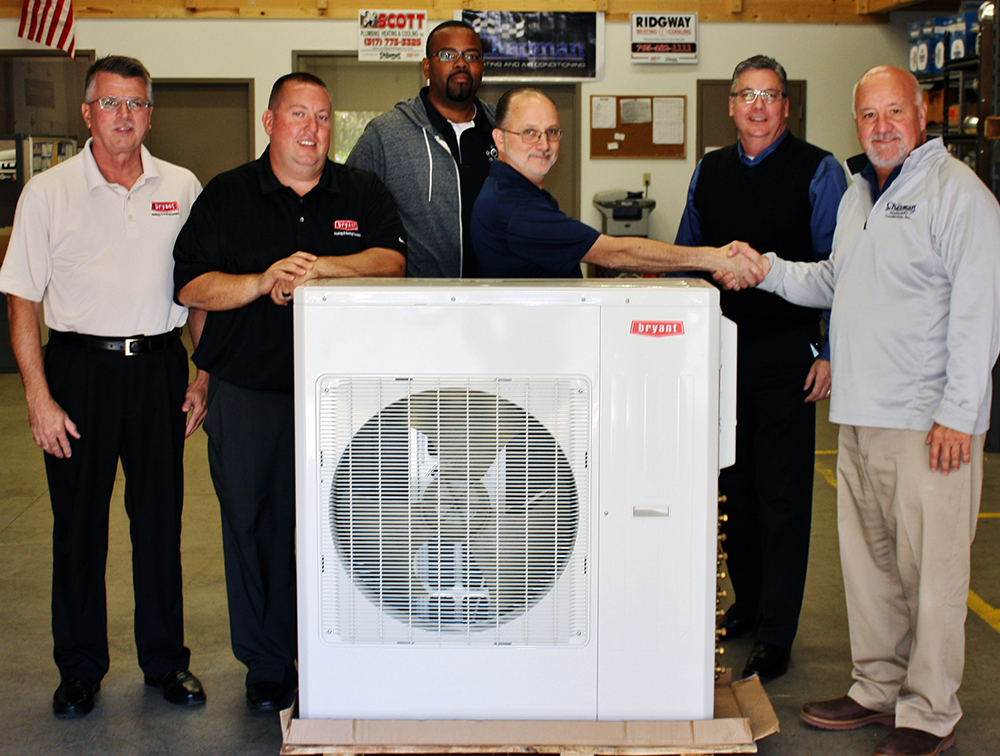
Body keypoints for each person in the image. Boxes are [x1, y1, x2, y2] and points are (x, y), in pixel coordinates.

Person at [741, 65, 1000, 756]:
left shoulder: (958, 195)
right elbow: (836, 279)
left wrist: (959, 413)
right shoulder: (860, 193)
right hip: (859, 414)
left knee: (932, 574)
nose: (881, 127)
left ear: (922, 115)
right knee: (871, 569)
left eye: (894, 112)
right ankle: (878, 686)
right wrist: (766, 268)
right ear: (855, 122)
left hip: (926, 424)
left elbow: (980, 311)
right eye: (868, 115)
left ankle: (930, 712)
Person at [172, 72, 406, 713]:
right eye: (298, 114)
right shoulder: (227, 195)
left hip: (348, 400)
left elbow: (392, 263)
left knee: (361, 526)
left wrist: (320, 267)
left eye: (323, 116)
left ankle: (350, 651)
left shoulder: (361, 190)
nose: (312, 128)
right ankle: (269, 664)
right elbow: (191, 285)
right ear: (270, 122)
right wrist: (260, 280)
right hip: (250, 394)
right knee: (254, 527)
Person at [0, 55, 208, 719]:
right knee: (78, 529)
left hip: (158, 370)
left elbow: (198, 289)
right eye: (111, 103)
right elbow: (21, 300)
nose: (124, 115)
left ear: (150, 114)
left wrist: (203, 373)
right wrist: (38, 396)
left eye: (136, 103)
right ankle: (80, 670)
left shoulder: (181, 186)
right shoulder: (48, 192)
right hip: (78, 374)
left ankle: (166, 663)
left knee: (160, 524)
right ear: (87, 112)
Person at [674, 55, 848, 681]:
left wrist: (829, 351)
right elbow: (688, 255)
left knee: (782, 499)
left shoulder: (820, 171)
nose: (757, 106)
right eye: (746, 95)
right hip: (721, 355)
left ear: (786, 106)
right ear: (730, 105)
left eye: (769, 95)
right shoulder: (709, 170)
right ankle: (747, 605)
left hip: (787, 356)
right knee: (734, 490)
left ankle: (776, 632)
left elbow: (840, 273)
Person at [471, 87, 766, 285]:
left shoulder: (517, 193)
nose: (544, 145)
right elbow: (614, 253)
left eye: (551, 132)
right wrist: (714, 258)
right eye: (529, 132)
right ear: (500, 139)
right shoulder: (514, 208)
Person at [347, 19, 496, 277]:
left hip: (494, 295)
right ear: (426, 66)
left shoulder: (505, 130)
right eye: (448, 55)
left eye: (471, 56)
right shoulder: (386, 133)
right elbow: (349, 205)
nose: (461, 63)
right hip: (418, 297)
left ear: (482, 65)